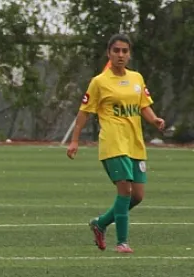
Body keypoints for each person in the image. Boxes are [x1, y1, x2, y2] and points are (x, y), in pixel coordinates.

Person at [67, 34, 165, 253]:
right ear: (109, 53)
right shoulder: (99, 82)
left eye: (124, 51)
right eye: (116, 50)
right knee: (125, 190)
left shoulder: (136, 78)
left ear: (129, 54)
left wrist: (154, 119)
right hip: (113, 142)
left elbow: (143, 105)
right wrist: (74, 140)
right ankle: (122, 242)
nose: (120, 55)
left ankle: (100, 223)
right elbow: (84, 112)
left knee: (137, 196)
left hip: (134, 143)